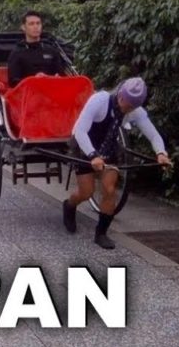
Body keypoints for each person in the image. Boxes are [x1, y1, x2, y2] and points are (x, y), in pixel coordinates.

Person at [63, 77, 171, 249]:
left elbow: (153, 135)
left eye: (131, 106)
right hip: (85, 144)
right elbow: (81, 131)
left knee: (109, 189)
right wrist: (92, 155)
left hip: (109, 147)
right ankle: (69, 206)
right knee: (86, 192)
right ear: (120, 94)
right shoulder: (99, 100)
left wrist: (161, 153)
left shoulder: (136, 111)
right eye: (124, 102)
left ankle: (101, 233)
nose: (125, 107)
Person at [6, 10, 68, 88]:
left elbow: (62, 76)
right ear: (23, 27)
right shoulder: (17, 53)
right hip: (28, 95)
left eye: (38, 23)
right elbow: (13, 82)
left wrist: (52, 78)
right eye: (31, 24)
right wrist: (34, 80)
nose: (36, 26)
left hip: (51, 92)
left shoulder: (51, 50)